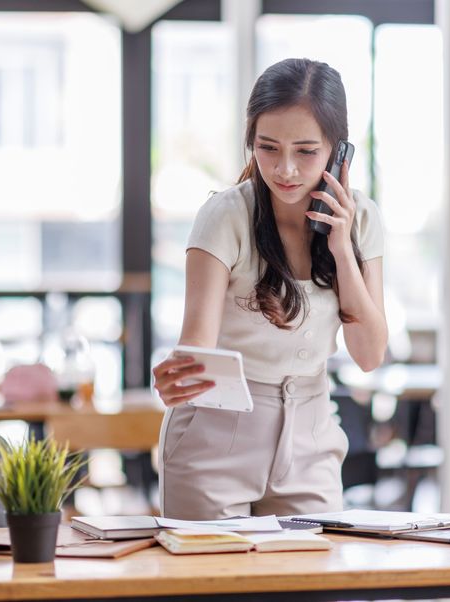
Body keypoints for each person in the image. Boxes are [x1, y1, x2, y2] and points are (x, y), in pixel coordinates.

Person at [152, 58, 387, 520]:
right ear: (250, 142)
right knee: (219, 592)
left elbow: (369, 355)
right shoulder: (225, 215)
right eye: (267, 148)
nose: (285, 170)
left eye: (306, 151)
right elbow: (196, 342)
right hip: (215, 438)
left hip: (311, 439)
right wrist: (177, 375)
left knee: (311, 589)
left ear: (339, 152)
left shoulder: (361, 220)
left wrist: (342, 249)